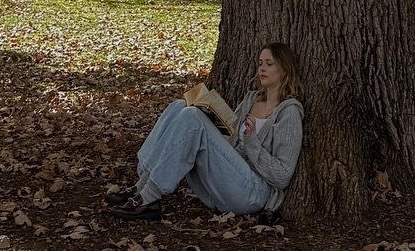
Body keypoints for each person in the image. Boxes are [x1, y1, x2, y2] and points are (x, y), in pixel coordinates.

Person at [107, 43, 304, 222]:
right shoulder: (252, 99)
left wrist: (252, 142)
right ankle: (142, 186)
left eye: (269, 64)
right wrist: (211, 115)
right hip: (225, 179)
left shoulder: (288, 113)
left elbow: (282, 176)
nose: (262, 68)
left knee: (191, 117)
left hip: (252, 192)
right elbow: (228, 137)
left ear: (284, 69)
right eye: (260, 63)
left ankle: (149, 198)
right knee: (179, 106)